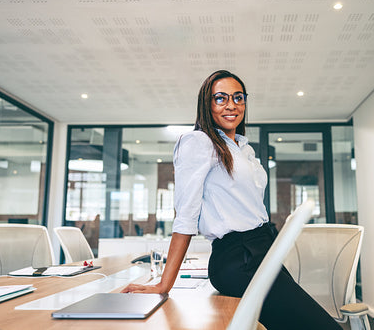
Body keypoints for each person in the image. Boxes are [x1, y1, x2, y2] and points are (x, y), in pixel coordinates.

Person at [122, 70, 341, 329]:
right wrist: (164, 284)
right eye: (220, 98)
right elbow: (186, 216)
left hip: (263, 252)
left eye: (238, 98)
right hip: (239, 258)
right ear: (207, 103)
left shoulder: (243, 148)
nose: (231, 105)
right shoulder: (199, 142)